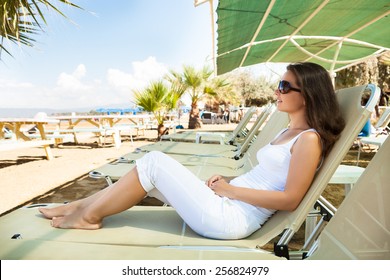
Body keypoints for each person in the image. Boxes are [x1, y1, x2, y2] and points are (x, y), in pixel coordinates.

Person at [39, 62, 345, 240]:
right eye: (279, 84)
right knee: (147, 172)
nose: (276, 91)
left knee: (154, 163)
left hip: (231, 219)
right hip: (226, 201)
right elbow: (267, 176)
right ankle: (76, 207)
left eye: (284, 86)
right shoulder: (287, 131)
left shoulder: (308, 139)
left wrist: (231, 191)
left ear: (308, 95)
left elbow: (291, 199)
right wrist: (228, 180)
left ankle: (88, 216)